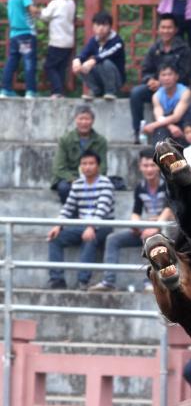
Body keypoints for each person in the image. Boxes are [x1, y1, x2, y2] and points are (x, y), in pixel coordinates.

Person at [89, 149, 174, 292]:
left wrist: (156, 226)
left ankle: (151, 282)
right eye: (145, 166)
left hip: (169, 229)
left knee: (149, 236)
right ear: (140, 167)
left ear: (159, 166)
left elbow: (169, 210)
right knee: (113, 239)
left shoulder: (168, 184)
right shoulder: (140, 188)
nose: (149, 169)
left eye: (152, 165)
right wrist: (136, 225)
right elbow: (136, 212)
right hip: (149, 226)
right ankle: (108, 282)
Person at [46, 150, 114, 290]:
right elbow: (68, 208)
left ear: (98, 166)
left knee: (90, 238)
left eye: (91, 163)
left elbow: (102, 210)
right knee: (55, 238)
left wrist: (91, 227)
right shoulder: (77, 184)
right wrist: (58, 225)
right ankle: (57, 279)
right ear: (80, 166)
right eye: (84, 163)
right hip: (83, 225)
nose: (87, 167)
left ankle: (83, 281)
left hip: (103, 225)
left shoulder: (106, 183)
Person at [129, 14, 191, 143]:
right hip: (158, 88)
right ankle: (138, 131)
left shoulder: (184, 49)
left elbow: (186, 73)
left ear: (175, 29)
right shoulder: (155, 48)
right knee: (136, 93)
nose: (166, 31)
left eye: (169, 27)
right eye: (163, 27)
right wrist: (150, 80)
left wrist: (165, 81)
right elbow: (146, 69)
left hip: (176, 88)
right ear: (158, 29)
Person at [50, 105, 108, 204]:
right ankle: (73, 217)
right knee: (64, 188)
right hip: (69, 178)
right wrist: (74, 180)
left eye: (87, 119)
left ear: (92, 121)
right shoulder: (65, 139)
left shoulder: (101, 141)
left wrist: (90, 178)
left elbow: (103, 166)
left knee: (105, 186)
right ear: (76, 120)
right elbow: (58, 168)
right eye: (81, 119)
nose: (84, 122)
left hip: (92, 176)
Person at [0, 0, 38, 98]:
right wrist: (39, 10)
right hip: (26, 34)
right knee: (29, 62)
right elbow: (32, 10)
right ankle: (30, 91)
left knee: (11, 62)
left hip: (14, 34)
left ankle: (5, 89)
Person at [72, 10, 126, 100]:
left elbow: (106, 54)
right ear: (93, 27)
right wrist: (77, 61)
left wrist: (92, 61)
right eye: (97, 25)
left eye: (104, 25)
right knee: (82, 64)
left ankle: (110, 91)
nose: (100, 28)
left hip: (116, 79)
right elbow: (84, 53)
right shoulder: (94, 41)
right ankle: (95, 90)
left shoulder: (117, 41)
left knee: (105, 62)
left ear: (110, 27)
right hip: (99, 78)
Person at [141, 63, 191, 144]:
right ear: (158, 78)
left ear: (176, 77)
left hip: (187, 122)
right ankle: (161, 155)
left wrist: (152, 125)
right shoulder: (156, 96)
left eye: (170, 74)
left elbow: (177, 117)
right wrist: (170, 126)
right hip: (168, 123)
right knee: (160, 130)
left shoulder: (185, 92)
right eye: (163, 75)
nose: (166, 78)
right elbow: (159, 118)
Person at [39, 0, 75, 98]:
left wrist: (37, 11)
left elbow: (44, 16)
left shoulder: (55, 3)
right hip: (69, 42)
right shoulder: (71, 3)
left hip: (57, 42)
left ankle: (57, 91)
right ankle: (60, 92)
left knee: (49, 66)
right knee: (61, 68)